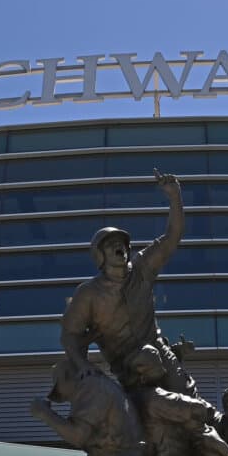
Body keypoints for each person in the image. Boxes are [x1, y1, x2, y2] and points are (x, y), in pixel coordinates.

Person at [60, 170, 198, 397]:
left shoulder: (142, 268)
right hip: (127, 365)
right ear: (100, 256)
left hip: (159, 350)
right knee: (150, 408)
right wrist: (83, 366)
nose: (119, 247)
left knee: (188, 396)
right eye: (111, 244)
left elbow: (173, 235)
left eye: (122, 243)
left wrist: (175, 196)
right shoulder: (89, 294)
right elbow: (69, 335)